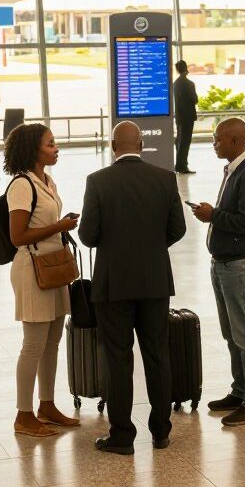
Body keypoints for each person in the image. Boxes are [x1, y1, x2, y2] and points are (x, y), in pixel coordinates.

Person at [79, 121, 186, 454]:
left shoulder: (98, 182)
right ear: (141, 145)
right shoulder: (165, 179)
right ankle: (161, 432)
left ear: (113, 146)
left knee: (118, 360)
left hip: (113, 284)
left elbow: (87, 235)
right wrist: (152, 248)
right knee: (157, 355)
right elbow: (178, 229)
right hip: (154, 282)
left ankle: (122, 436)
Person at [191, 118, 245, 427]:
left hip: (239, 266)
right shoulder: (234, 169)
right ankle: (240, 391)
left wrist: (214, 216)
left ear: (236, 140)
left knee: (244, 333)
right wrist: (215, 215)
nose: (214, 143)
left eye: (218, 139)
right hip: (224, 264)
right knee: (231, 333)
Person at [4, 123, 79, 437]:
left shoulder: (47, 180)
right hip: (32, 268)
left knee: (52, 341)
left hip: (54, 266)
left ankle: (46, 405)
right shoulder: (22, 185)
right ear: (34, 149)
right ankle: (24, 414)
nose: (56, 148)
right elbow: (17, 236)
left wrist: (61, 227)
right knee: (33, 344)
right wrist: (59, 226)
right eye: (50, 144)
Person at [172, 60, 198, 174]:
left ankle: (179, 165)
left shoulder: (175, 84)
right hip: (188, 117)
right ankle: (182, 166)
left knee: (179, 141)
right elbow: (195, 99)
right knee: (185, 142)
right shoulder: (189, 84)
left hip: (179, 117)